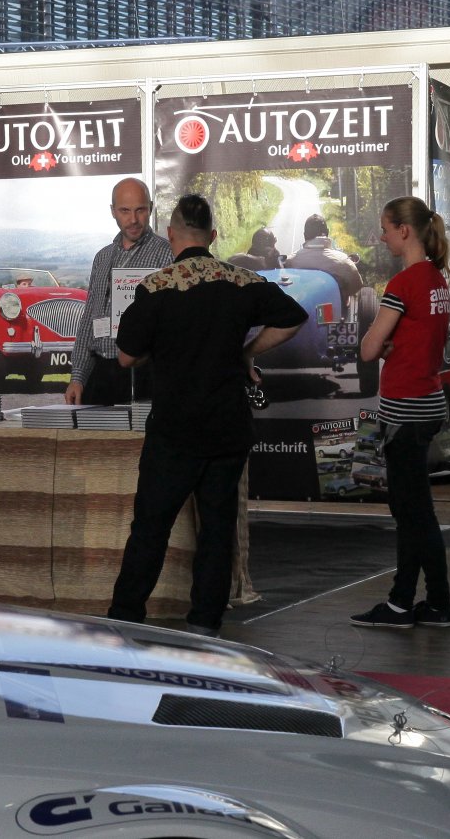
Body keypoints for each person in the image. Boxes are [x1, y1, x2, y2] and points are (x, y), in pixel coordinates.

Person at [107, 194, 309, 636]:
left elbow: (125, 357)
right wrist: (246, 352)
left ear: (171, 235)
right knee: (217, 529)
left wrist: (162, 349)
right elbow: (293, 317)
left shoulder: (156, 287)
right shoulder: (241, 280)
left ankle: (125, 618)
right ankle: (205, 624)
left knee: (151, 529)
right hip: (227, 426)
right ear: (213, 236)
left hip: (174, 430)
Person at [350, 196, 450, 630]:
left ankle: (430, 603)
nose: (382, 237)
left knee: (413, 514)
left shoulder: (404, 284)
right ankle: (407, 602)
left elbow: (368, 349)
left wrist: (383, 346)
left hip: (405, 410)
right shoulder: (437, 279)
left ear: (404, 231)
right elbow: (420, 339)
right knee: (413, 511)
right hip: (428, 402)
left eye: (386, 229)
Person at [65, 177, 173, 405]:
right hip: (101, 373)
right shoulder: (102, 257)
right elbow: (88, 321)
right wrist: (77, 378)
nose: (133, 219)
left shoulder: (166, 255)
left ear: (151, 208)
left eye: (140, 210)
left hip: (144, 373)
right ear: (113, 211)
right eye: (125, 211)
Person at [283, 214, 362, 303]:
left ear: (305, 235)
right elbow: (356, 286)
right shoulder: (343, 261)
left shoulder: (290, 261)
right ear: (327, 232)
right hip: (334, 307)